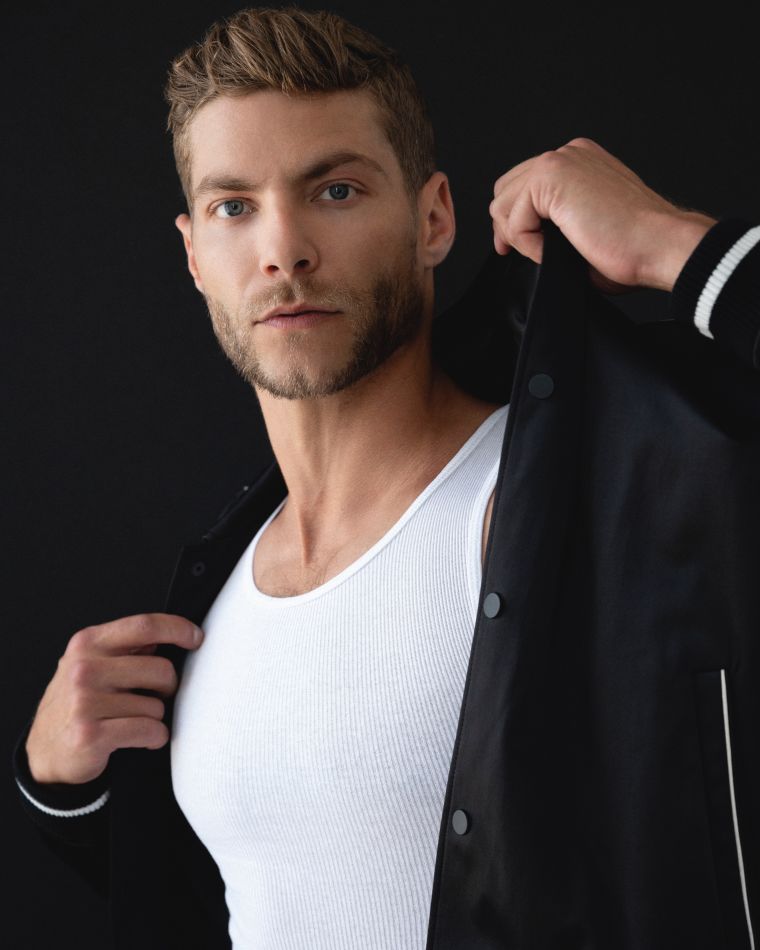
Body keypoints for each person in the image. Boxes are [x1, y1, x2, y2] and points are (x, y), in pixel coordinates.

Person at [12, 6, 760, 949]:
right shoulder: (216, 589)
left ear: (433, 218)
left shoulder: (581, 496)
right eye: (234, 206)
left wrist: (674, 244)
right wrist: (69, 795)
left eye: (335, 190)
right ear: (195, 254)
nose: (283, 249)